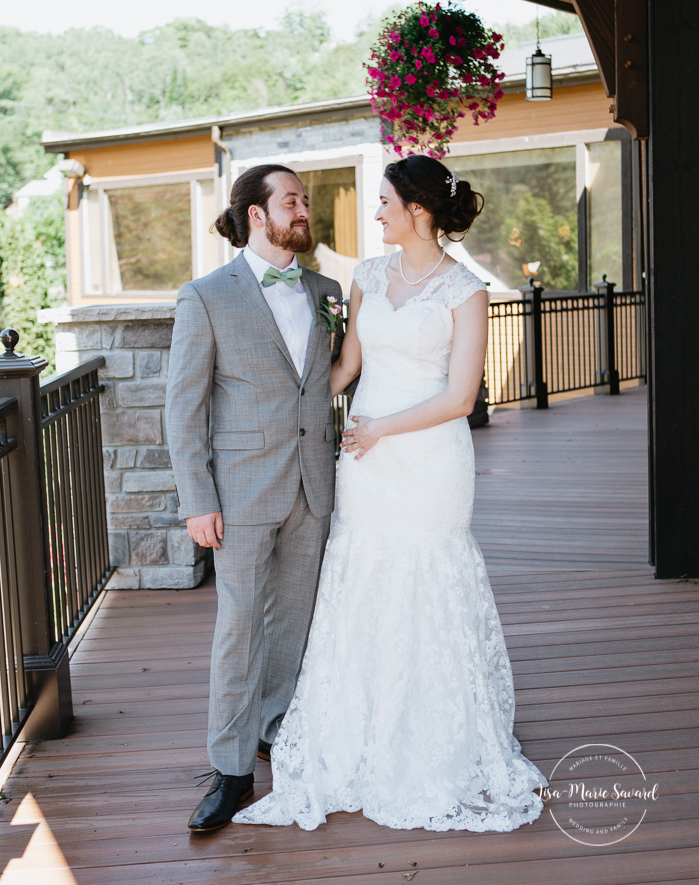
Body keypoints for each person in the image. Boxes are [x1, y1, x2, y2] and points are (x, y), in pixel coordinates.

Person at [234, 154, 547, 833]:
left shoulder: (466, 291)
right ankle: (361, 729)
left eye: (381, 202)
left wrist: (381, 427)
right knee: (363, 578)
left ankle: (433, 736)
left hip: (429, 460)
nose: (372, 213)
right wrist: (286, 414)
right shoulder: (367, 277)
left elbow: (460, 396)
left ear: (418, 210)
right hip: (366, 463)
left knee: (426, 581)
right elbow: (346, 364)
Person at [165, 164, 345, 832]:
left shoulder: (325, 290)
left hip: (312, 485)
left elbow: (334, 380)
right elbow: (183, 410)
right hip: (238, 494)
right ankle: (230, 769)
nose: (303, 209)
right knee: (238, 629)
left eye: (304, 200)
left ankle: (276, 731)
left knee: (293, 623)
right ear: (255, 215)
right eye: (291, 200)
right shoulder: (205, 296)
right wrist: (196, 499)